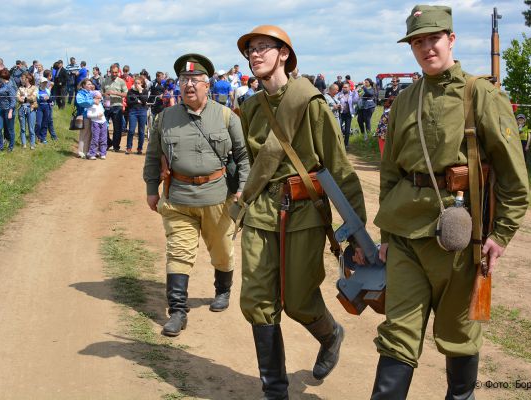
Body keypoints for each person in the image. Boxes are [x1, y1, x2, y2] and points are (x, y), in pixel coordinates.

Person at [370, 6, 529, 399]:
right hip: (406, 234)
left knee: (459, 334)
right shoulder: (404, 100)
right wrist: (387, 232)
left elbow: (513, 175)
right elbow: (391, 171)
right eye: (417, 42)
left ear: (451, 39)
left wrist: (501, 233)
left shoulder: (481, 94)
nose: (426, 48)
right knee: (397, 336)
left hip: (457, 237)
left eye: (433, 39)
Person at [236, 25, 366, 399]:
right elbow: (253, 164)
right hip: (262, 211)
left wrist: (356, 232)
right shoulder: (249, 107)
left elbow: (340, 170)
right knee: (257, 302)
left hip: (304, 212)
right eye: (251, 50)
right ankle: (274, 390)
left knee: (298, 301)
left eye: (264, 48)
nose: (256, 55)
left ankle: (330, 334)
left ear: (284, 55)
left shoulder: (311, 104)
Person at [143, 53, 250, 337]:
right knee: (178, 253)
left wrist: (242, 188)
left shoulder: (226, 115)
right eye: (184, 80)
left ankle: (222, 291)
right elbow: (153, 156)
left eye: (195, 80)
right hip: (178, 198)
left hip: (218, 199)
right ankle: (177, 310)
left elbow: (243, 156)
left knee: (222, 250)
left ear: (207, 84)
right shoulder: (165, 117)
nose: (189, 85)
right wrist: (150, 188)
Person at [102, 63, 128, 152]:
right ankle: (108, 142)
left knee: (117, 128)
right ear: (110, 72)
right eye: (113, 72)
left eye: (116, 72)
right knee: (103, 126)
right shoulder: (105, 81)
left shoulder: (121, 81)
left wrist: (116, 93)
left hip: (117, 106)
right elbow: (101, 92)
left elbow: (126, 93)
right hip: (107, 106)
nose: (114, 74)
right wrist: (104, 94)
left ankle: (116, 146)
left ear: (118, 72)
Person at [0, 68, 17, 151]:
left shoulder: (10, 86)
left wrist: (10, 111)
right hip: (1, 110)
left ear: (2, 77)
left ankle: (11, 147)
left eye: (0, 77)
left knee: (10, 130)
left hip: (8, 110)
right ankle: (1, 146)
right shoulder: (1, 86)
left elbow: (13, 100)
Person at [125, 75, 149, 155]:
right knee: (131, 130)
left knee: (141, 131)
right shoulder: (130, 91)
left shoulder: (144, 91)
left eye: (138, 83)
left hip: (142, 111)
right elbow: (128, 102)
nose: (136, 85)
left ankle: (139, 148)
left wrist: (140, 92)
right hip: (133, 111)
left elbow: (144, 101)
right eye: (135, 83)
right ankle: (128, 148)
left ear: (142, 84)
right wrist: (137, 101)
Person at [16, 72, 38, 149]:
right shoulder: (20, 88)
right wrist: (25, 98)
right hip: (21, 108)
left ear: (28, 79)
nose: (22, 80)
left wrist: (24, 98)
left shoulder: (34, 88)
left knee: (31, 128)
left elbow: (33, 98)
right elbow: (17, 98)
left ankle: (32, 144)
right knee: (22, 128)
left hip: (31, 108)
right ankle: (24, 144)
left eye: (24, 78)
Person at [75, 79, 96, 159]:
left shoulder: (91, 93)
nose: (90, 85)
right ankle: (81, 152)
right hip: (84, 116)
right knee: (84, 134)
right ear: (83, 85)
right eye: (88, 84)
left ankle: (87, 151)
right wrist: (92, 101)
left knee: (90, 134)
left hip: (92, 116)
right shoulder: (80, 93)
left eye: (91, 84)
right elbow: (81, 103)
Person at [86, 91, 108, 160]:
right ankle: (92, 153)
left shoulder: (101, 104)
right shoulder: (91, 105)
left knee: (103, 138)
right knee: (95, 138)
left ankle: (102, 153)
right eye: (97, 98)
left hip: (103, 122)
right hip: (95, 123)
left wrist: (106, 97)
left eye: (100, 98)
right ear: (93, 98)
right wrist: (97, 115)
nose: (99, 99)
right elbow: (88, 115)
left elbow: (106, 106)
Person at [338, 82, 358, 149]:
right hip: (341, 114)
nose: (344, 88)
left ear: (349, 88)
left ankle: (346, 144)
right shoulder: (339, 94)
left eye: (346, 87)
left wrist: (355, 91)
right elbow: (336, 100)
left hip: (348, 114)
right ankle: (339, 143)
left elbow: (355, 101)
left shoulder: (352, 94)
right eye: (343, 87)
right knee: (338, 128)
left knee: (347, 130)